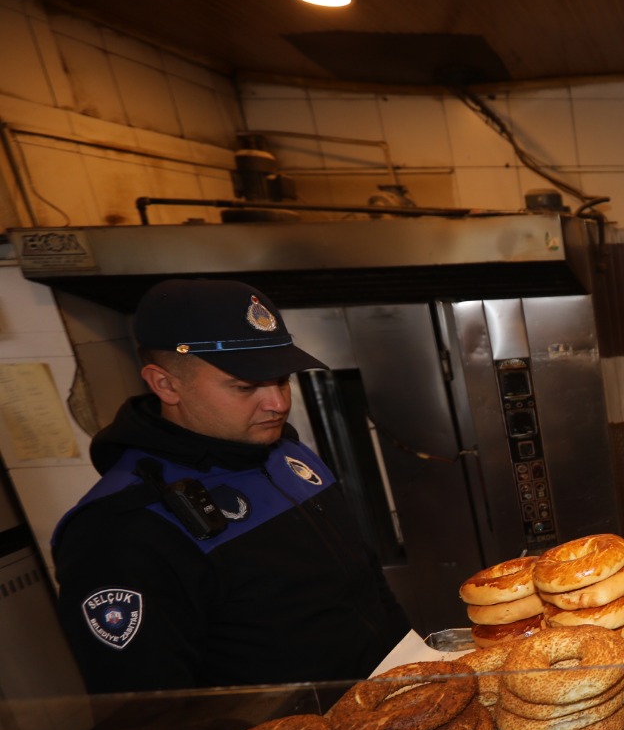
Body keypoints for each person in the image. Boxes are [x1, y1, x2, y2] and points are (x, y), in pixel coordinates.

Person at [53, 279, 414, 694]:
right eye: (245, 387)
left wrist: (416, 670)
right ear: (166, 384)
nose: (278, 403)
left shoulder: (286, 455)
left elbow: (366, 582)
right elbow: (145, 721)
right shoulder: (121, 528)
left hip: (389, 711)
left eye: (281, 380)